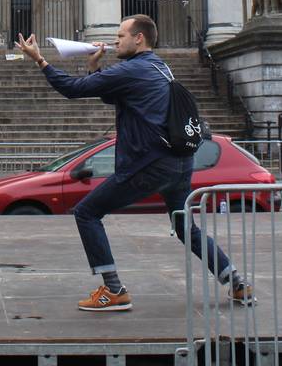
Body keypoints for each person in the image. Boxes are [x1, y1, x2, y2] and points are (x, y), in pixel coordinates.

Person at [15, 16, 254, 312]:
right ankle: (237, 282)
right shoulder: (158, 66)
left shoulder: (132, 69)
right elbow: (118, 96)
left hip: (148, 163)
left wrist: (40, 60)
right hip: (179, 162)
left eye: (121, 35)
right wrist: (94, 67)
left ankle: (114, 289)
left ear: (138, 38)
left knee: (87, 213)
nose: (116, 41)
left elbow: (72, 89)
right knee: (184, 227)